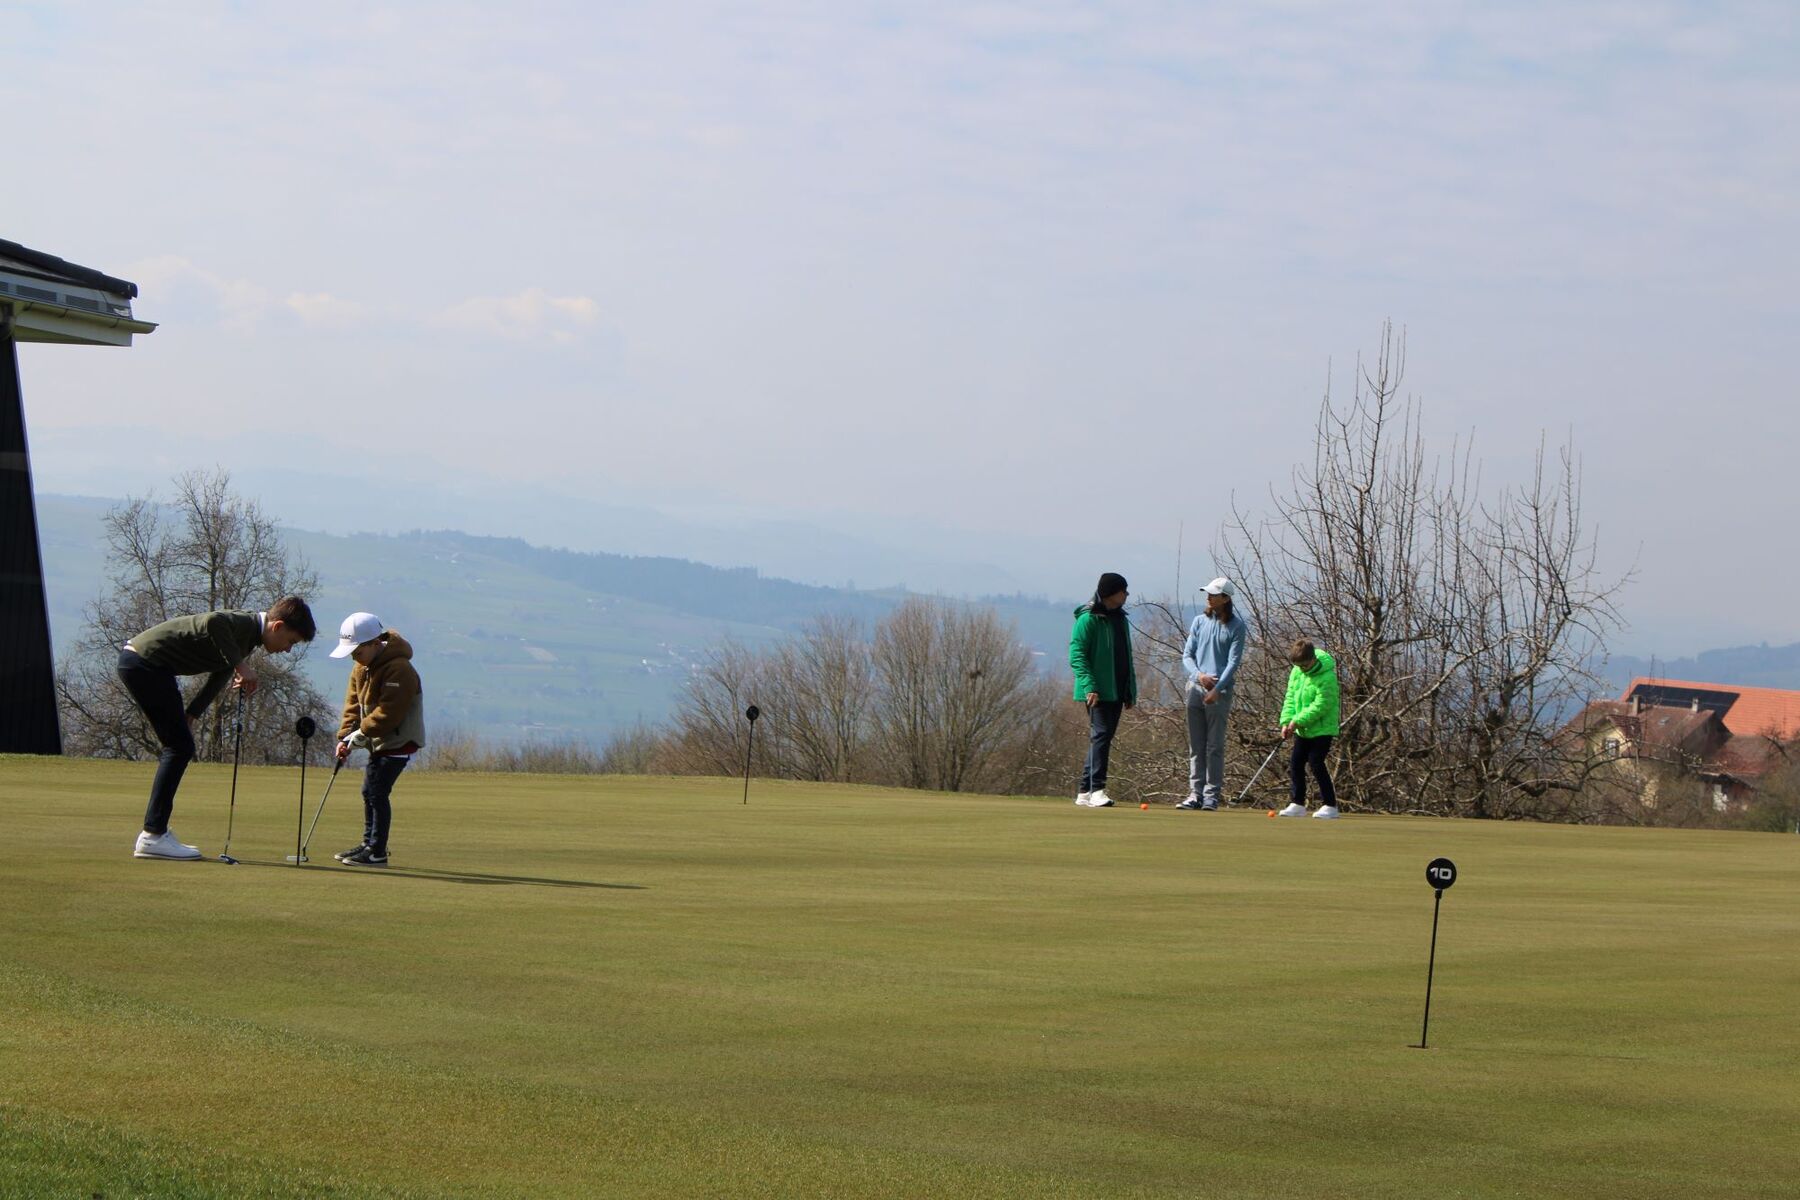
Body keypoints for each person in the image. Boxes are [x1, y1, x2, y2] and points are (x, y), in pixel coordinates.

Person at [119, 596, 317, 859]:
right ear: (277, 626)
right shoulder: (245, 624)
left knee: (180, 745)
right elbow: (213, 622)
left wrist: (192, 714)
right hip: (144, 663)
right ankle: (153, 835)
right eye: (290, 641)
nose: (288, 649)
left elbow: (221, 672)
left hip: (148, 666)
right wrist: (241, 665)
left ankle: (155, 833)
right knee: (179, 747)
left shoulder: (250, 638)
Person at [330, 612, 425, 867]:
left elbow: (389, 713)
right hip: (378, 740)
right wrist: (345, 737)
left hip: (399, 740)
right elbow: (353, 704)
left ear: (374, 643)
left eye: (357, 651)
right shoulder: (361, 667)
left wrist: (360, 734)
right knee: (370, 791)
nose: (354, 657)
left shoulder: (400, 669)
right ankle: (368, 844)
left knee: (376, 791)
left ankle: (377, 851)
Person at [1176, 577, 1248, 810]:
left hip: (1220, 692)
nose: (1208, 597)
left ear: (1225, 598)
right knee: (1196, 746)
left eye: (1214, 594)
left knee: (1214, 746)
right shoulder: (1199, 621)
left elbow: (1233, 662)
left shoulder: (1237, 626)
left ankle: (1211, 796)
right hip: (1195, 688)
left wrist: (1217, 688)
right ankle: (1195, 794)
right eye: (1208, 593)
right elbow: (1187, 655)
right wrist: (1199, 676)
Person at [1069, 572, 1136, 807]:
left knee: (1103, 737)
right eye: (1123, 590)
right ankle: (1097, 789)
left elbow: (1126, 656)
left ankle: (1084, 791)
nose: (1126, 594)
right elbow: (1077, 654)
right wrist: (1089, 685)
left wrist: (1129, 690)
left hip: (1117, 689)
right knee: (1101, 735)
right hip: (1096, 690)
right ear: (1111, 592)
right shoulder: (1088, 618)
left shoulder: (1120, 619)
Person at [1277, 639, 1341, 818]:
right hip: (1303, 729)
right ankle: (1297, 803)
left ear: (1313, 659)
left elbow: (1322, 704)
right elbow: (1290, 697)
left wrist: (1298, 720)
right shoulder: (1297, 672)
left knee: (1316, 762)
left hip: (1322, 729)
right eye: (1299, 666)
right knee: (1296, 763)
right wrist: (1286, 721)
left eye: (1305, 665)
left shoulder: (1327, 676)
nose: (1302, 669)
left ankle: (1330, 805)